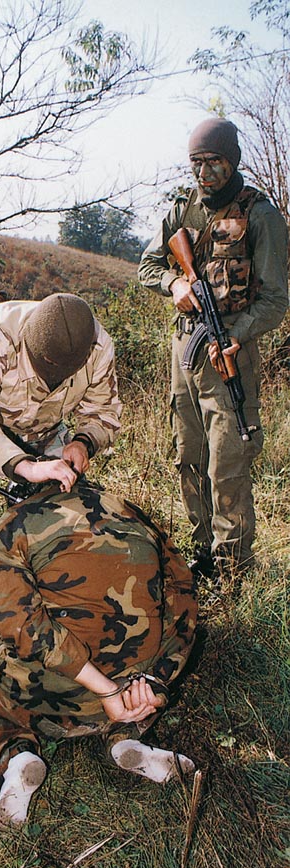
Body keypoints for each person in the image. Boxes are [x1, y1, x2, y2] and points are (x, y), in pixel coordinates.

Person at [0, 479, 197, 828]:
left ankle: (13, 757)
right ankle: (125, 739)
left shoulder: (17, 525)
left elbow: (24, 629)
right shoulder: (132, 513)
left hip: (57, 697)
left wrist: (104, 689)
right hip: (133, 696)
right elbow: (182, 596)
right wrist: (156, 678)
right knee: (132, 657)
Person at [138, 117, 288, 581]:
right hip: (186, 346)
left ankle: (233, 567)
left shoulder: (260, 215)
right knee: (189, 453)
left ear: (233, 161)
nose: (204, 173)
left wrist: (239, 332)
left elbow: (276, 300)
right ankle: (203, 549)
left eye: (214, 162)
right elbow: (147, 265)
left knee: (228, 460)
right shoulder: (182, 210)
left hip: (230, 352)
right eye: (196, 163)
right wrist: (175, 283)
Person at [0, 292, 122, 647]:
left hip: (47, 436)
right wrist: (24, 467)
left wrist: (83, 442)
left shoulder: (96, 344)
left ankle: (61, 623)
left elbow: (103, 413)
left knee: (70, 522)